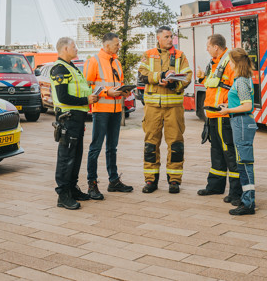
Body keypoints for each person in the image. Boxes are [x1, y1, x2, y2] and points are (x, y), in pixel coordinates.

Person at [137, 25, 192, 193]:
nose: (170, 39)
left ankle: (174, 180)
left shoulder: (180, 55)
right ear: (158, 38)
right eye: (166, 37)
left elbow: (187, 76)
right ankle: (150, 180)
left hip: (174, 108)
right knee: (150, 144)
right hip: (152, 108)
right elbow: (142, 75)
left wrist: (173, 83)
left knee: (176, 144)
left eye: (171, 36)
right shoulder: (148, 54)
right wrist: (159, 77)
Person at [51, 37, 99, 210]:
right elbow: (63, 96)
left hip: (77, 118)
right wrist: (86, 100)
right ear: (65, 49)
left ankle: (72, 188)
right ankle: (63, 195)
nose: (77, 49)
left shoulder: (72, 68)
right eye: (74, 46)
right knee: (66, 157)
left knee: (76, 155)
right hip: (68, 119)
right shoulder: (59, 69)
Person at [84, 32, 133, 199]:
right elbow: (87, 87)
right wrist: (107, 92)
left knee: (112, 147)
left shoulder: (117, 62)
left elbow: (119, 84)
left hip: (116, 111)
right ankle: (92, 184)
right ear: (106, 45)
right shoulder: (94, 61)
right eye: (116, 44)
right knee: (95, 148)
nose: (119, 46)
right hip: (101, 111)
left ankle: (113, 181)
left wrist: (124, 92)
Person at [196, 33, 242, 204]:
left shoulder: (230, 62)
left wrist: (229, 107)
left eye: (208, 46)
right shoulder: (214, 63)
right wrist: (202, 77)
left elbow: (236, 87)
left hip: (224, 115)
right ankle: (215, 186)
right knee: (216, 152)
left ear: (216, 47)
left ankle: (236, 192)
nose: (207, 49)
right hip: (213, 115)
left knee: (230, 154)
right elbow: (213, 85)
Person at [216, 47, 257, 215]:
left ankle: (248, 203)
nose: (230, 65)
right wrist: (229, 106)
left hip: (241, 122)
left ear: (236, 63)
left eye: (231, 62)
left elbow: (247, 105)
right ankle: (246, 199)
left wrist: (228, 110)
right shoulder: (244, 79)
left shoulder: (240, 81)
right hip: (241, 121)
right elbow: (242, 102)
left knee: (244, 163)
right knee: (243, 162)